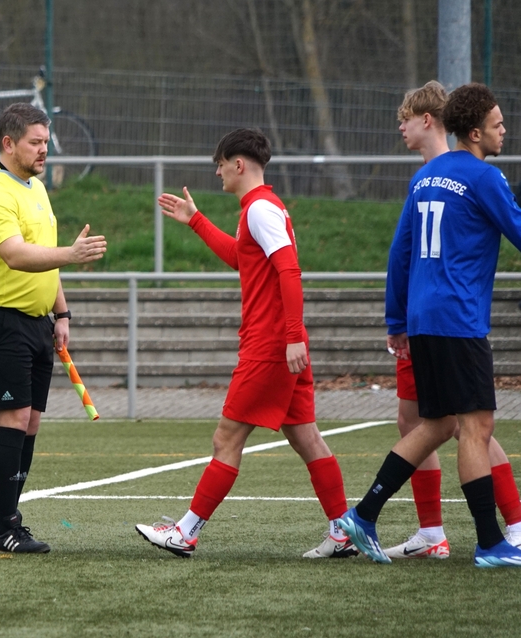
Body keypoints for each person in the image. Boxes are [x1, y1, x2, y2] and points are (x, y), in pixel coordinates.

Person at [137, 128, 352, 559]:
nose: (218, 172)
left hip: (270, 346)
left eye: (220, 164)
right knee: (307, 438)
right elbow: (243, 258)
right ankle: (343, 531)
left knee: (226, 439)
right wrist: (196, 221)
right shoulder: (260, 208)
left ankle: (185, 532)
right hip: (281, 343)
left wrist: (292, 335)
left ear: (238, 164)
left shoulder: (259, 209)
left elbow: (289, 271)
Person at [339, 83, 521, 568]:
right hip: (458, 319)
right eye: (498, 124)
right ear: (475, 132)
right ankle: (491, 543)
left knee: (439, 424)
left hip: (423, 318)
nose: (505, 131)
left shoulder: (425, 177)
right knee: (477, 427)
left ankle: (363, 514)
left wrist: (396, 319)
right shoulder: (485, 177)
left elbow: (400, 254)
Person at [0, 102, 107, 554]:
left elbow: (46, 260)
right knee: (13, 420)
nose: (45, 150)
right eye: (36, 142)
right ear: (9, 144)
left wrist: (61, 314)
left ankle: (6, 524)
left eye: (46, 142)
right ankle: (6, 526)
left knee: (29, 425)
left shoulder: (38, 188)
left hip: (36, 322)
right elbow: (15, 254)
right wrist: (72, 254)